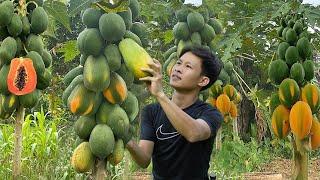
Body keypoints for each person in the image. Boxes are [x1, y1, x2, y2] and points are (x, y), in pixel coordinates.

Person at [124, 46, 223, 180]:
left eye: (188, 66)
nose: (178, 68)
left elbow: (194, 133)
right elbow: (144, 160)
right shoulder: (151, 111)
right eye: (178, 63)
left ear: (203, 80)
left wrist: (160, 94)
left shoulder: (210, 113)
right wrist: (126, 139)